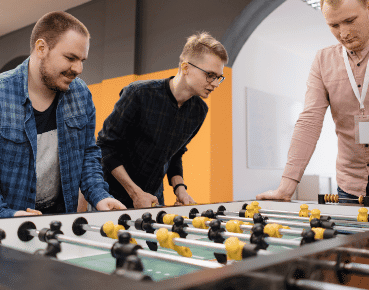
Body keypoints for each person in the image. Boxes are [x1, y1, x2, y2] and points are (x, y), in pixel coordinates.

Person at [257, 0, 369, 204]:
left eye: (350, 20)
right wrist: (286, 187)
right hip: (350, 186)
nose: (344, 33)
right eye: (334, 25)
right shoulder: (323, 61)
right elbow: (309, 121)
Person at [0, 11, 125, 217]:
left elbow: (87, 153)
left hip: (58, 218)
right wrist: (9, 215)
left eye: (82, 60)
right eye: (70, 58)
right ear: (41, 48)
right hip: (8, 223)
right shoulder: (3, 93)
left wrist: (100, 195)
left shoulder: (81, 93)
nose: (78, 68)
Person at [97, 32, 228, 208]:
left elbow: (175, 153)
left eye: (219, 77)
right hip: (111, 198)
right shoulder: (138, 94)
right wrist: (136, 193)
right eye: (210, 75)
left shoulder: (199, 111)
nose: (215, 83)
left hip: (153, 199)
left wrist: (180, 188)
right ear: (186, 67)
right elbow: (106, 147)